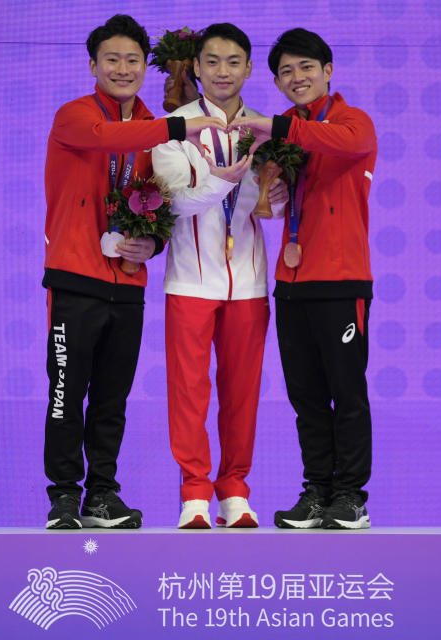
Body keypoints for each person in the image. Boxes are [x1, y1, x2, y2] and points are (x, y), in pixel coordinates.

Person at [42, 14, 225, 530]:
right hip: (75, 276)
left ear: (146, 65)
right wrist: (179, 123)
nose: (123, 69)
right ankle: (62, 496)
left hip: (127, 281)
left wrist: (154, 241)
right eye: (112, 59)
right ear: (93, 64)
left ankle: (102, 494)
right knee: (66, 391)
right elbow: (107, 138)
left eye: (132, 60)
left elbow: (162, 200)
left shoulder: (152, 127)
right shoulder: (74, 116)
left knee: (111, 397)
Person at [231, 28, 377, 529]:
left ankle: (351, 496)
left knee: (346, 390)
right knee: (306, 395)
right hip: (291, 281)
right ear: (275, 80)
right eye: (286, 72)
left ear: (328, 71)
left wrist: (274, 128)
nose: (298, 78)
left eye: (307, 68)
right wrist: (263, 188)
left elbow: (348, 144)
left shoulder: (351, 122)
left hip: (342, 279)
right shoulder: (280, 129)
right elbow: (267, 204)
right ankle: (316, 491)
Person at [152, 23, 287, 529]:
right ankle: (193, 494)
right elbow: (173, 203)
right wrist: (219, 183)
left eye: (234, 62)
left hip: (249, 283)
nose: (223, 71)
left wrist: (276, 198)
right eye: (212, 61)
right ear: (197, 67)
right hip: (190, 279)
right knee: (188, 388)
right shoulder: (172, 128)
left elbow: (272, 205)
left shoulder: (271, 131)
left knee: (242, 390)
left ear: (250, 68)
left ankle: (234, 490)